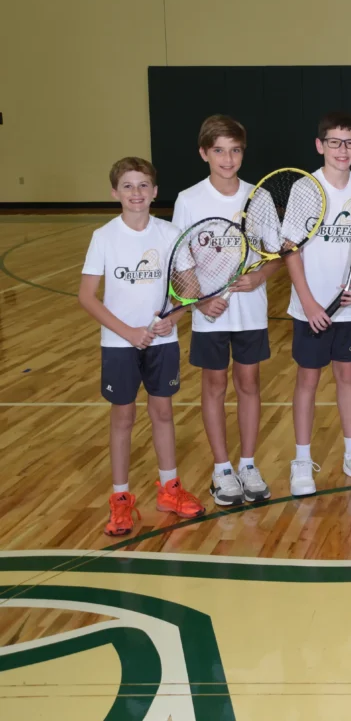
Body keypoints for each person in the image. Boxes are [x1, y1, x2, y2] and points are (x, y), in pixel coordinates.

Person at [79, 156, 205, 536]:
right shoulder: (104, 237)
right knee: (123, 418)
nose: (137, 193)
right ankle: (120, 499)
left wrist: (175, 318)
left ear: (155, 192)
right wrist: (128, 332)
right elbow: (87, 296)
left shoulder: (168, 235)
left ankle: (170, 489)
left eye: (143, 186)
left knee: (162, 412)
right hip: (119, 344)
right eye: (128, 186)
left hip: (161, 342)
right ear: (114, 192)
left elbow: (189, 291)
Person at [172, 115, 279, 507]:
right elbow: (181, 260)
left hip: (251, 311)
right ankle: (222, 469)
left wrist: (259, 277)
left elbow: (275, 255)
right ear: (204, 153)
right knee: (214, 387)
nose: (228, 158)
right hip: (209, 315)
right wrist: (199, 299)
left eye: (234, 150)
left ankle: (247, 464)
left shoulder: (259, 197)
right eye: (219, 150)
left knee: (249, 384)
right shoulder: (189, 199)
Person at [284, 112, 351, 497]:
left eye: (350, 142)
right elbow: (290, 249)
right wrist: (308, 303)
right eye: (335, 142)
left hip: (349, 307)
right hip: (311, 307)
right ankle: (302, 461)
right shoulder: (306, 189)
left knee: (347, 377)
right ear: (320, 145)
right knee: (308, 380)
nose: (343, 150)